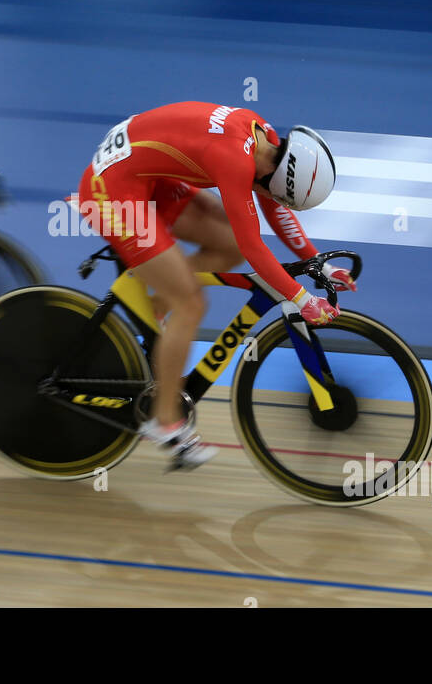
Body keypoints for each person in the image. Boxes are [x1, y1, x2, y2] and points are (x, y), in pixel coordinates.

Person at [76, 101, 356, 470]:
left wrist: (320, 261)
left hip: (142, 171)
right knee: (192, 304)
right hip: (110, 190)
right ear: (279, 177)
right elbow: (253, 245)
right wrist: (301, 298)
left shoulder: (267, 140)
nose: (276, 201)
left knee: (224, 244)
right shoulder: (233, 160)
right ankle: (166, 424)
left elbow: (272, 208)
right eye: (279, 194)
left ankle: (156, 306)